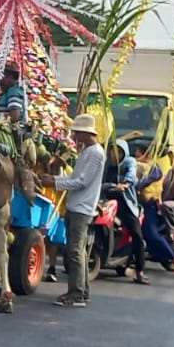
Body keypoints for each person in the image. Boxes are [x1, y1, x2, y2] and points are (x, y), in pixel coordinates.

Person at [37, 112, 104, 305]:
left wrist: (55, 182)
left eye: (77, 133)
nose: (75, 137)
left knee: (74, 251)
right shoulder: (86, 152)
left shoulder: (95, 153)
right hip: (76, 205)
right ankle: (82, 292)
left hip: (82, 208)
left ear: (86, 133)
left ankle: (76, 293)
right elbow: (75, 177)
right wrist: (55, 178)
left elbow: (81, 181)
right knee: (79, 251)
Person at [106, 141, 149, 284]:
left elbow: (131, 175)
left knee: (137, 235)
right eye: (112, 151)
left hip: (126, 205)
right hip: (106, 202)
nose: (114, 154)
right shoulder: (107, 164)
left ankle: (140, 271)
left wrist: (125, 184)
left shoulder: (129, 162)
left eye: (118, 151)